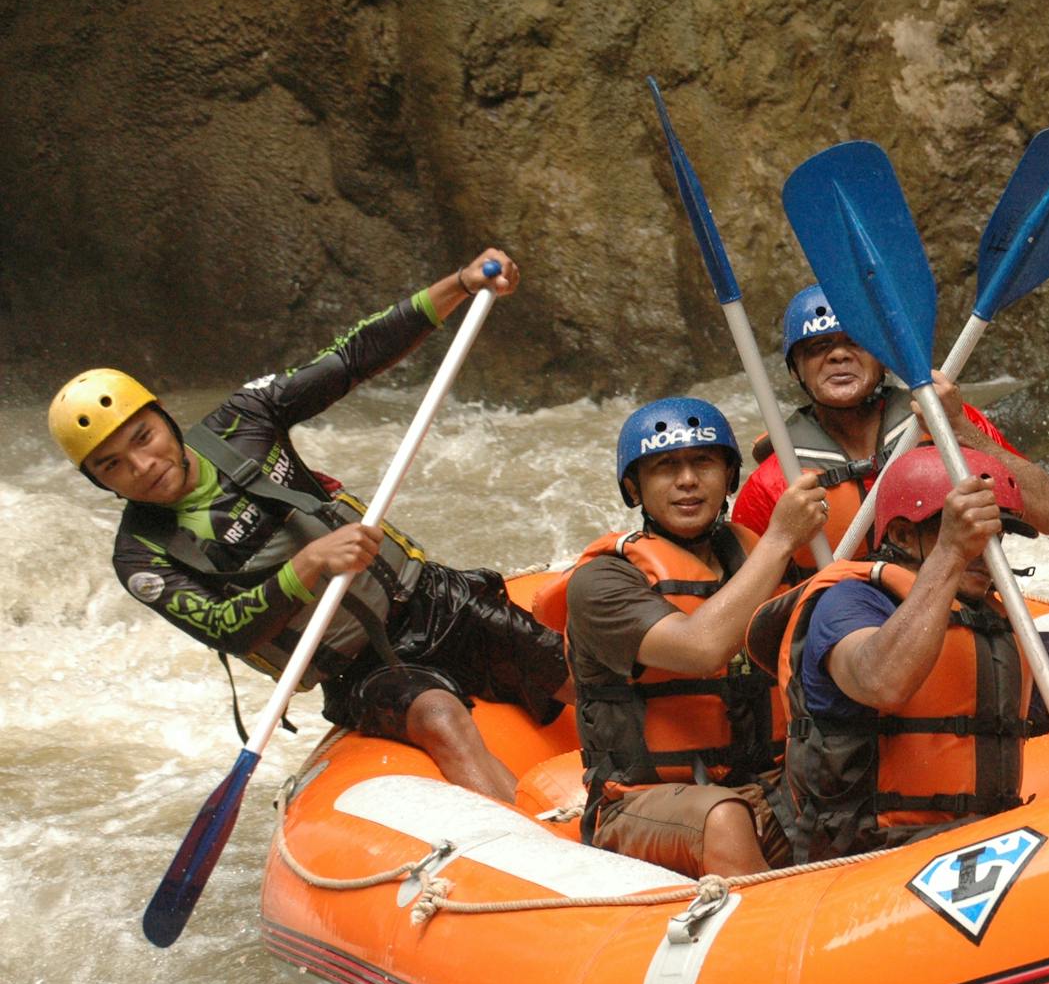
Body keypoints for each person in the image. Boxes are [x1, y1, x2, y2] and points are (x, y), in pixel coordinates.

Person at [47, 251, 570, 802]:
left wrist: (458, 286)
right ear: (98, 482)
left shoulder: (243, 421)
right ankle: (547, 859)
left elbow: (350, 358)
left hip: (431, 598)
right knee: (439, 716)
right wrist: (309, 564)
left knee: (569, 668)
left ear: (165, 419)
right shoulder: (140, 556)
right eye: (111, 465)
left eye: (142, 437)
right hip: (361, 670)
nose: (142, 466)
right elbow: (227, 628)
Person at [734, 283, 1049, 734]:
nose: (837, 356)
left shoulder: (943, 421)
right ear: (796, 368)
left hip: (969, 622)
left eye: (854, 342)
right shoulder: (774, 484)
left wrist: (959, 428)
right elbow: (750, 620)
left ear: (881, 357)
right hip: (855, 641)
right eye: (818, 347)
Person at [533, 398, 827, 877]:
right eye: (666, 467)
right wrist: (780, 540)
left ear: (729, 478)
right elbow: (700, 648)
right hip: (644, 805)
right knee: (723, 818)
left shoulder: (758, 559)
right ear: (634, 488)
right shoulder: (602, 583)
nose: (687, 480)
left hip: (769, 785)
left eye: (703, 463)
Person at [754, 446, 1046, 862]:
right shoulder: (847, 601)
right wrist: (950, 554)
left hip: (977, 841)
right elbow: (881, 682)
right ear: (903, 535)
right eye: (966, 532)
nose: (985, 549)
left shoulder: (989, 617)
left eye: (994, 535)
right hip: (870, 855)